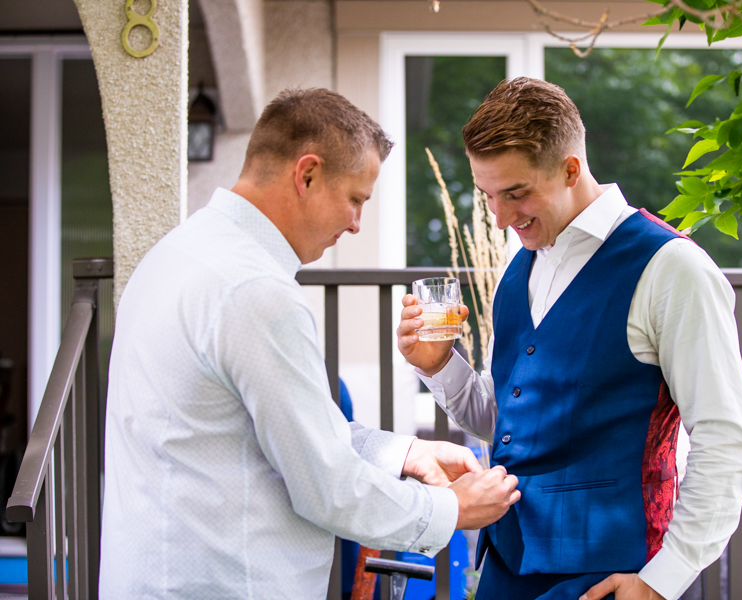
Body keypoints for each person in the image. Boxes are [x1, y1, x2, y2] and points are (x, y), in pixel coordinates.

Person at [99, 87, 521, 599]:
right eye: (355, 199)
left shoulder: (175, 254)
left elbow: (283, 433)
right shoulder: (254, 291)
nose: (356, 223)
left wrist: (403, 451)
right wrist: (453, 510)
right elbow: (328, 486)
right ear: (307, 174)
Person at [397, 78, 742, 600]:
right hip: (504, 568)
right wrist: (438, 366)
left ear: (571, 169)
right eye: (488, 196)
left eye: (516, 193)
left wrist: (665, 580)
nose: (499, 218)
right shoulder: (517, 272)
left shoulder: (671, 269)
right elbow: (514, 424)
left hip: (613, 577)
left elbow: (727, 443)